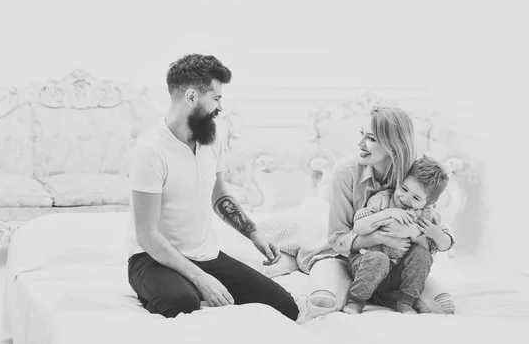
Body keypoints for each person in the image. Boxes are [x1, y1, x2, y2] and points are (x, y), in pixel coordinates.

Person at [126, 53, 299, 320]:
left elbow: (219, 196)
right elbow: (146, 235)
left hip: (204, 254)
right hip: (152, 258)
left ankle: (190, 285)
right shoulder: (150, 151)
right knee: (183, 303)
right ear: (192, 97)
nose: (220, 106)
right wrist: (200, 278)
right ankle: (166, 289)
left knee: (285, 306)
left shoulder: (211, 139)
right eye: (216, 98)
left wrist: (255, 234)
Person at [303, 107, 455, 319]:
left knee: (443, 307)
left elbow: (432, 235)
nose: (360, 144)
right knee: (323, 302)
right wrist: (379, 237)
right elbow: (338, 239)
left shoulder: (418, 175)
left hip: (398, 265)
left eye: (371, 138)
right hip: (348, 256)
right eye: (362, 134)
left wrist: (417, 235)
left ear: (393, 146)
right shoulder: (345, 172)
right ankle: (360, 293)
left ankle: (393, 296)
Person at [344, 155, 454, 314]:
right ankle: (356, 300)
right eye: (404, 188)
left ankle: (405, 301)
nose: (405, 198)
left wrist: (431, 233)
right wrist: (388, 213)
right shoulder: (382, 200)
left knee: (422, 255)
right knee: (378, 258)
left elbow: (445, 245)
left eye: (416, 198)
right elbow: (359, 227)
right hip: (366, 264)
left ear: (428, 203)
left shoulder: (427, 216)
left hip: (396, 275)